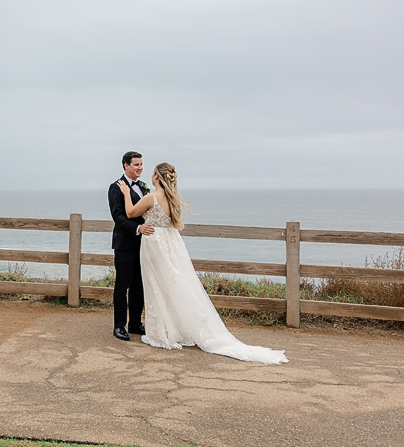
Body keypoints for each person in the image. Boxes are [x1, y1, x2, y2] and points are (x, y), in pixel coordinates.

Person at [116, 162, 288, 364]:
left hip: (154, 243)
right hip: (170, 244)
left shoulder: (150, 198)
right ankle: (172, 327)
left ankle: (163, 331)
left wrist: (127, 193)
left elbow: (129, 213)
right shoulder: (173, 200)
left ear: (156, 177)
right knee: (172, 284)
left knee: (157, 286)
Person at [107, 151, 155, 341]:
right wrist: (138, 228)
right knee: (122, 286)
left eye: (141, 164)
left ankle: (135, 324)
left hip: (144, 245)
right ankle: (119, 326)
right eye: (136, 164)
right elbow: (118, 217)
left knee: (139, 286)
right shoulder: (115, 188)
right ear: (126, 166)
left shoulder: (144, 187)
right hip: (125, 245)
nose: (140, 168)